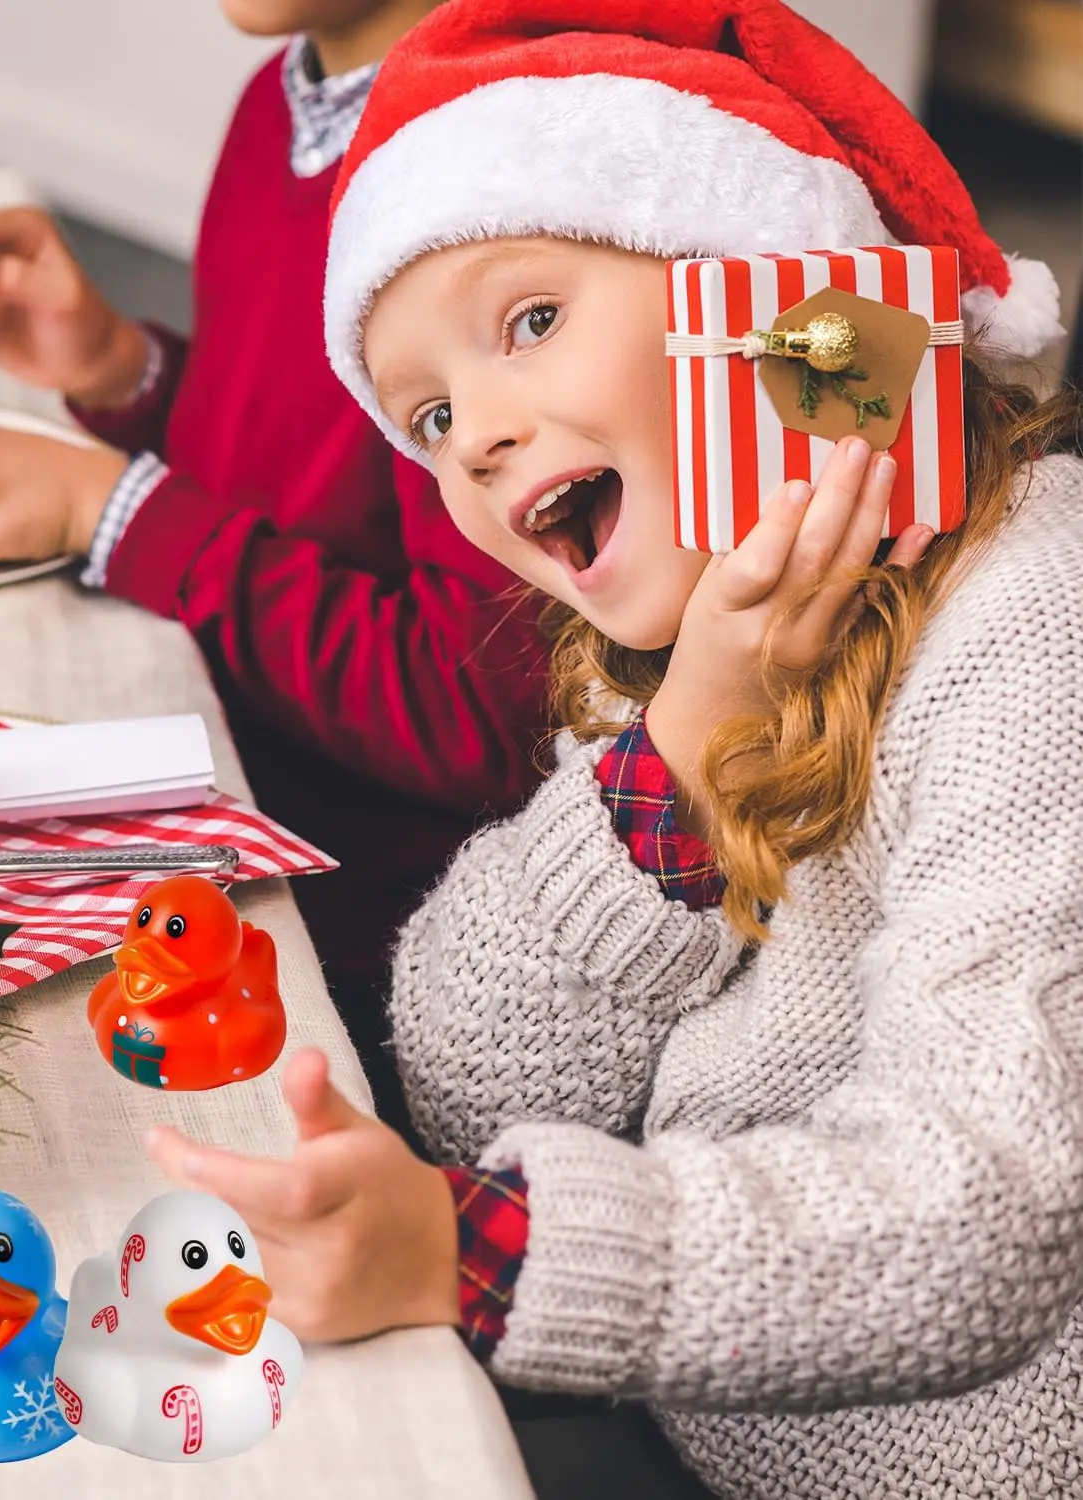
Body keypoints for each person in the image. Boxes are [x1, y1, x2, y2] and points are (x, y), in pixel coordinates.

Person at [142, 3, 1083, 1497]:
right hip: (695, 1427)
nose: (475, 440)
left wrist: (480, 1251)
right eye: (430, 413)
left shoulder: (1030, 618)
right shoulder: (661, 639)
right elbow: (465, 1081)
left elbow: (999, 1202)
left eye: (529, 323)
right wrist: (693, 737)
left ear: (767, 290)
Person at [0, 0, 552, 1134]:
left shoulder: (482, 167)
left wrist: (109, 509)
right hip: (225, 779)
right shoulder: (287, 99)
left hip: (340, 942)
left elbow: (484, 710)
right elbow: (316, 477)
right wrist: (122, 369)